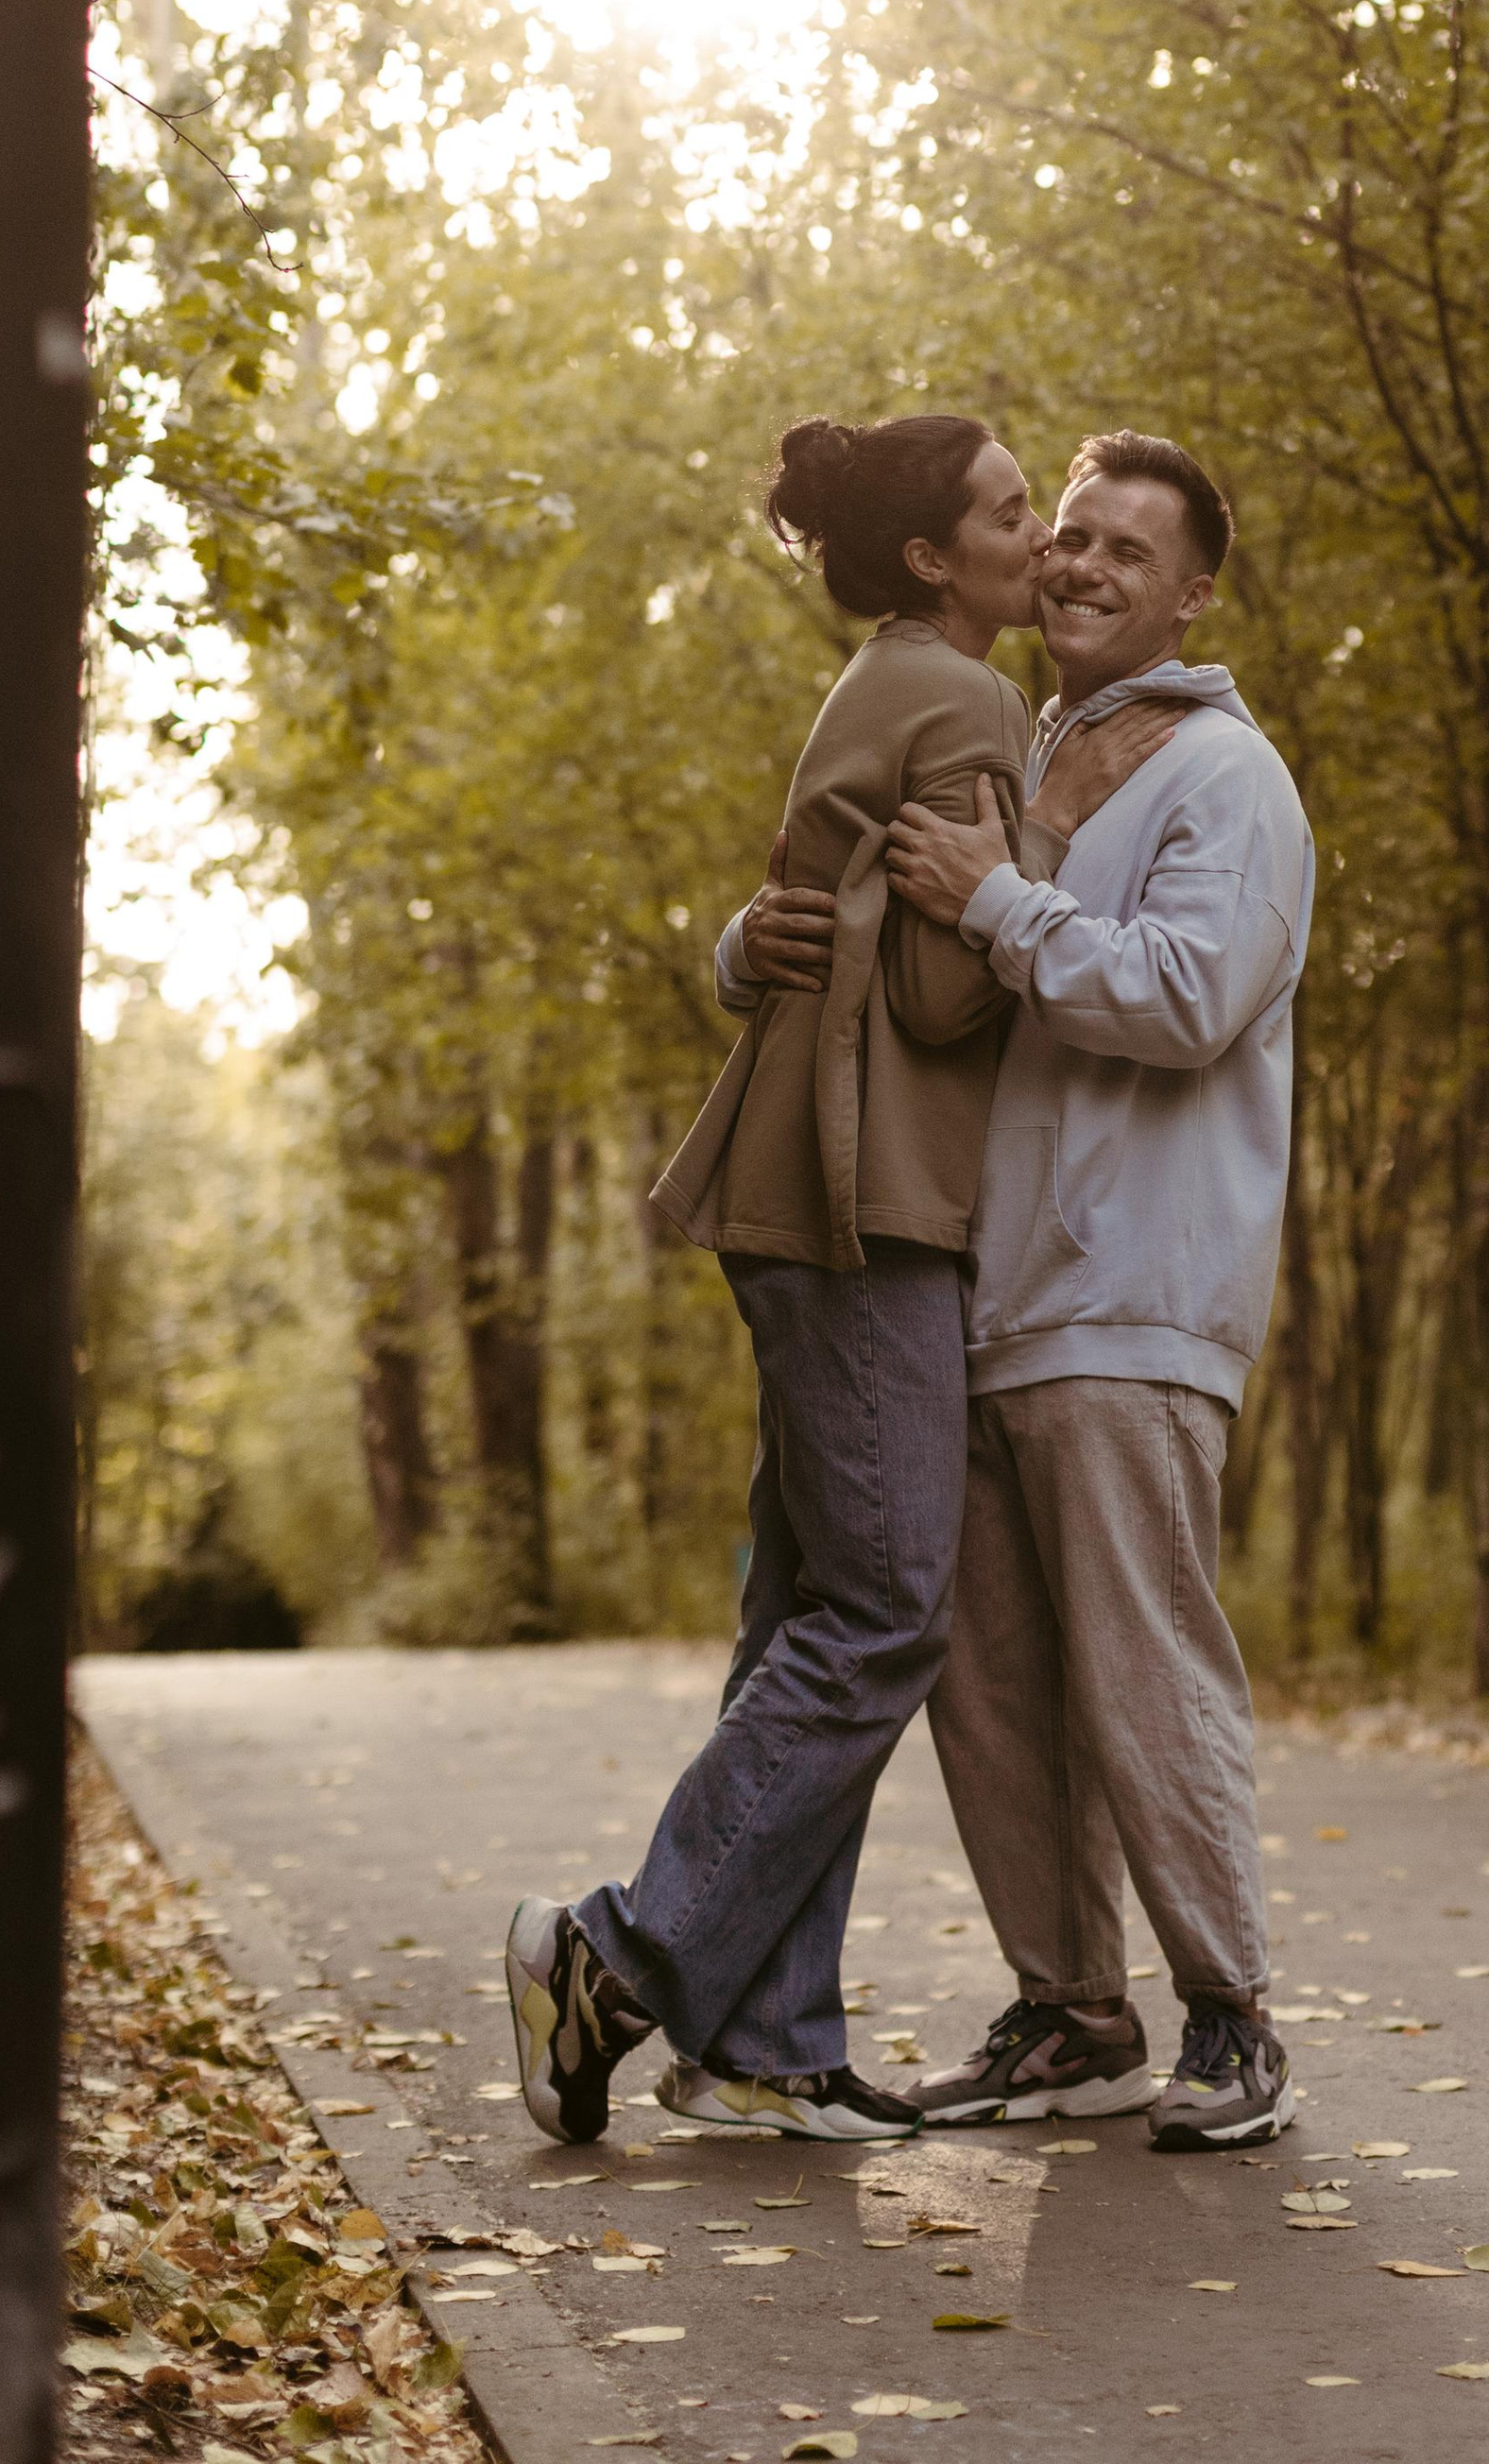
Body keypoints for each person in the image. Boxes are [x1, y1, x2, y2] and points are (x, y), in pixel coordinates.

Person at [504, 410, 1153, 2149]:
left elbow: (820, 917)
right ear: (937, 557)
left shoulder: (891, 674)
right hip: (868, 1208)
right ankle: (617, 1957)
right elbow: (942, 998)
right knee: (885, 1614)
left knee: (809, 1615)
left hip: (816, 1190)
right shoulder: (966, 699)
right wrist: (1028, 907)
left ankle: (770, 2034)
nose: (1043, 541)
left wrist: (798, 930)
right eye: (1015, 515)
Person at [884, 430, 1315, 2152]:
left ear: (1194, 592)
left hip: (1135, 1299)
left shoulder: (1229, 776)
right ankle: (1071, 2012)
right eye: (1067, 536)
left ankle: (1232, 2020)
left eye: (1128, 550)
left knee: (1144, 1667)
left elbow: (1195, 993)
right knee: (986, 1682)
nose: (1079, 565)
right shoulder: (1018, 747)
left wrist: (997, 904)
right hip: (982, 1301)